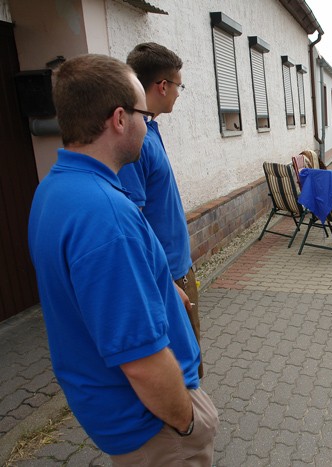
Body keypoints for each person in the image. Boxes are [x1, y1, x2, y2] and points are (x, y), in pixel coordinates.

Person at [28, 54, 218, 465]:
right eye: (142, 115)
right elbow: (142, 362)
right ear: (119, 119)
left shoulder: (53, 191)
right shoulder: (106, 217)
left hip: (123, 419)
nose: (146, 124)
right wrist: (188, 422)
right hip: (155, 427)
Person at [118, 43, 203, 379]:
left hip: (180, 268)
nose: (180, 94)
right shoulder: (134, 142)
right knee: (181, 371)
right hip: (167, 278)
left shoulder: (150, 129)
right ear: (162, 85)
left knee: (192, 360)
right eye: (179, 86)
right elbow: (133, 222)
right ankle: (187, 428)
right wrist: (167, 282)